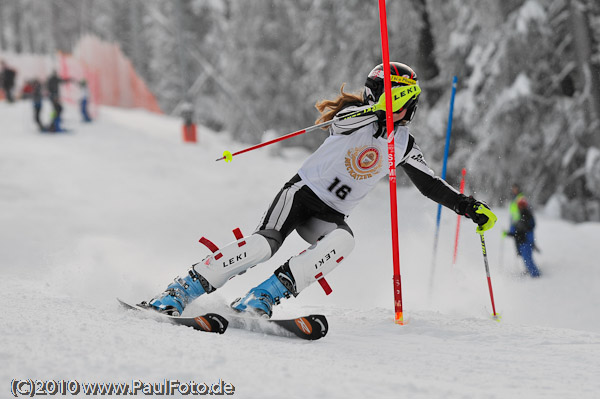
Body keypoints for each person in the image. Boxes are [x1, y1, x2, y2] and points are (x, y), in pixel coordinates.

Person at [145, 62, 498, 317]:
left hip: (329, 215)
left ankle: (262, 297)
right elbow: (344, 124)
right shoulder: (353, 116)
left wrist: (468, 207)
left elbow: (431, 186)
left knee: (344, 241)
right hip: (301, 195)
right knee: (263, 245)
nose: (407, 109)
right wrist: (378, 111)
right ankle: (183, 288)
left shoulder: (403, 143)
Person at [505, 184, 540, 277]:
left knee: (526, 252)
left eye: (515, 188)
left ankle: (534, 272)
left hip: (523, 230)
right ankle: (529, 269)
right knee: (521, 251)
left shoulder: (521, 199)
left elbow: (529, 222)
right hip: (518, 227)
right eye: (513, 188)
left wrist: (519, 228)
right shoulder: (514, 199)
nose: (514, 190)